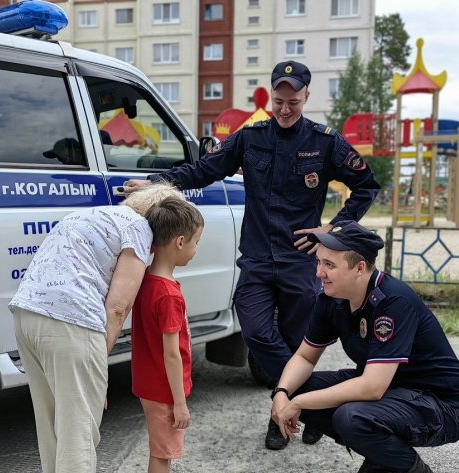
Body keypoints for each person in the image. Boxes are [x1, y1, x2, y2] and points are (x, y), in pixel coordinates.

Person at [123, 60, 380, 452]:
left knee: (298, 343)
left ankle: (282, 417)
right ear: (271, 96)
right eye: (279, 100)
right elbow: (206, 169)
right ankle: (312, 407)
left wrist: (334, 228)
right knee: (257, 333)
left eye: (293, 101)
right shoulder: (251, 138)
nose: (285, 109)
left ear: (306, 97)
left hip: (299, 260)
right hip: (258, 258)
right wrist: (161, 182)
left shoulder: (325, 142)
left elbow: (366, 185)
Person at [271, 221, 459, 473]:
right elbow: (304, 356)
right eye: (318, 262)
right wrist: (283, 393)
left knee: (351, 416)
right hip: (392, 394)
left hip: (438, 404)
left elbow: (372, 388)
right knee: (300, 388)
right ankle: (381, 459)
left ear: (359, 268)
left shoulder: (393, 301)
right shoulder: (332, 298)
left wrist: (299, 404)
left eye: (329, 264)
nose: (319, 273)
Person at [9, 184, 171, 473]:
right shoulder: (139, 230)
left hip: (28, 316)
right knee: (79, 432)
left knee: (55, 429)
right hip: (71, 323)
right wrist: (99, 366)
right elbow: (117, 307)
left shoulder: (94, 215)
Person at [131, 192, 205, 473]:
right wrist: (180, 401)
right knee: (162, 453)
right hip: (164, 389)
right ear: (178, 242)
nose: (195, 249)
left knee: (162, 449)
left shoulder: (145, 279)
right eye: (195, 243)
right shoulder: (169, 294)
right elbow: (172, 353)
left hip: (148, 382)